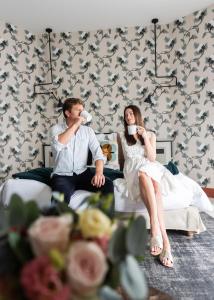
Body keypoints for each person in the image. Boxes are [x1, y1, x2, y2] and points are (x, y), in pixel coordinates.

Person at [119, 104, 174, 268]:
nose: (128, 116)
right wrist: (122, 173)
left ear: (137, 116)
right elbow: (122, 160)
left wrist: (143, 138)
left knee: (150, 178)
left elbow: (151, 158)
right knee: (148, 180)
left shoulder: (150, 134)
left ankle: (156, 231)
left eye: (131, 113)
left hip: (148, 166)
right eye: (126, 114)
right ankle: (165, 242)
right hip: (132, 170)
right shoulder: (121, 136)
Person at [50, 97, 114, 206]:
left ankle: (106, 220)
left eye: (82, 110)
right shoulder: (56, 129)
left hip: (82, 173)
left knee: (107, 184)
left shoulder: (88, 131)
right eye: (78, 110)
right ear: (68, 113)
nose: (82, 113)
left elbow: (98, 154)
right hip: (62, 175)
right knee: (59, 199)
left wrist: (99, 173)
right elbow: (59, 144)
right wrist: (76, 124)